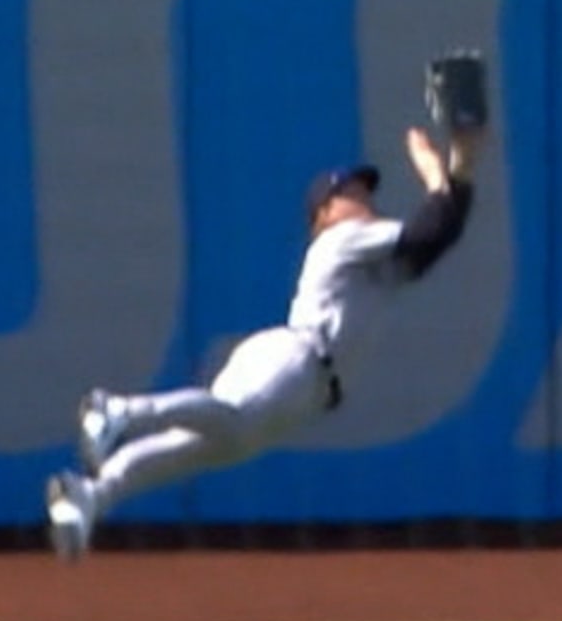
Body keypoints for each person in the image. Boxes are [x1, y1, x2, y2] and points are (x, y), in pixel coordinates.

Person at [45, 122, 483, 560]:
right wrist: (432, 170)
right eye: (352, 191)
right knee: (229, 422)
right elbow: (429, 228)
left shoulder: (373, 266)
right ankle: (116, 410)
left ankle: (89, 495)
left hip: (304, 385)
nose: (366, 196)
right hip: (297, 358)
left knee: (196, 447)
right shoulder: (342, 240)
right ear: (324, 213)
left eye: (366, 190)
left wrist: (463, 162)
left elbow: (439, 234)